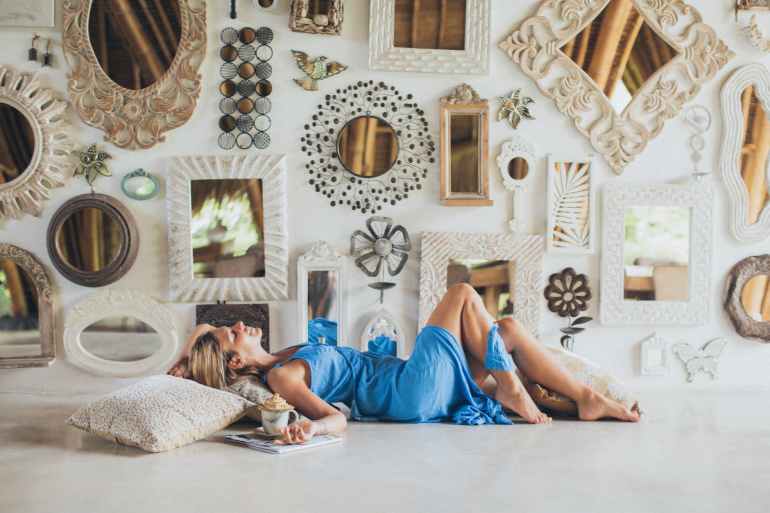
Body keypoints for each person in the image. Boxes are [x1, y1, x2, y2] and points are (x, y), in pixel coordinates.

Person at [168, 284, 639, 445]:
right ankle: (516, 390)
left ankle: (586, 399)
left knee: (509, 329)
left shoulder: (285, 356)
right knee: (460, 294)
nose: (240, 324)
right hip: (407, 391)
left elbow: (202, 343)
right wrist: (312, 429)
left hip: (411, 384)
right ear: (233, 360)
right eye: (231, 332)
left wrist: (184, 357)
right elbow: (333, 417)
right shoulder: (281, 376)